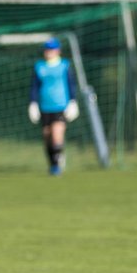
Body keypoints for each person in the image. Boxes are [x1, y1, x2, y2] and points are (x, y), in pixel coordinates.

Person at [27, 38, 79, 175]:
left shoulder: (64, 65)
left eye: (52, 49)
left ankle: (57, 164)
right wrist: (33, 103)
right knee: (47, 135)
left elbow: (71, 84)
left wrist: (73, 101)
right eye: (47, 49)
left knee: (57, 133)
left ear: (58, 51)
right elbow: (34, 87)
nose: (49, 52)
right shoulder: (39, 66)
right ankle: (53, 163)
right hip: (45, 106)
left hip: (60, 105)